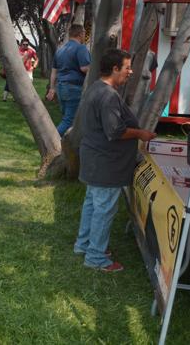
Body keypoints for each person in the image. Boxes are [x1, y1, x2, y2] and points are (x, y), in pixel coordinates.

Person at [74, 49, 156, 272]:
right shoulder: (108, 95)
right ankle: (96, 257)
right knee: (104, 209)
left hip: (95, 158)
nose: (130, 72)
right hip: (105, 163)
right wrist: (140, 134)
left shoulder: (97, 88)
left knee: (92, 204)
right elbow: (115, 131)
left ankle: (84, 244)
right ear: (115, 69)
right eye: (127, 67)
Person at [47, 24, 91, 136]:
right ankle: (52, 144)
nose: (84, 35)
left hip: (61, 87)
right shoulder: (81, 48)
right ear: (80, 34)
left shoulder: (60, 50)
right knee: (69, 121)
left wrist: (52, 88)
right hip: (74, 88)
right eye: (84, 33)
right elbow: (84, 68)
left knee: (67, 118)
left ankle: (66, 148)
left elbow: (53, 71)